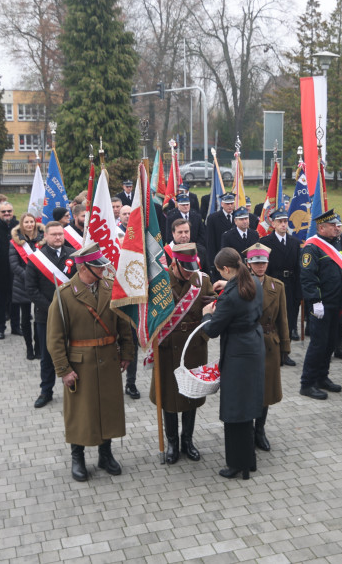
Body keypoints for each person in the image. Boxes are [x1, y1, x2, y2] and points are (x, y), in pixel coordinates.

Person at [46, 241, 135, 481]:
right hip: (80, 364)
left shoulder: (110, 287)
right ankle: (78, 458)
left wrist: (127, 352)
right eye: (99, 266)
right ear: (84, 268)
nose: (104, 269)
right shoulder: (65, 294)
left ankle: (106, 455)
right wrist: (64, 370)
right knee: (80, 413)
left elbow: (123, 322)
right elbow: (55, 338)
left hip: (109, 359)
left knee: (108, 409)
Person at [201, 247, 265, 480]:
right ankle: (249, 460)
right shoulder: (254, 282)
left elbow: (212, 330)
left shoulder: (231, 297)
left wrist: (207, 313)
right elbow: (239, 292)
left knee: (235, 410)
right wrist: (226, 284)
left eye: (221, 271)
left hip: (237, 353)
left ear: (226, 269)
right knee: (247, 406)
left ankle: (238, 464)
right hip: (254, 346)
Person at [151, 242, 215, 463]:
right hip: (168, 348)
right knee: (169, 398)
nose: (189, 273)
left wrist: (205, 331)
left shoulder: (202, 280)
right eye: (185, 269)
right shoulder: (159, 282)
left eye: (192, 268)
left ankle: (187, 440)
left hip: (193, 347)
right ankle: (172, 443)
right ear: (175, 263)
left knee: (191, 397)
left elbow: (213, 307)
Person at [245, 243, 293, 451]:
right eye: (256, 263)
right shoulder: (241, 285)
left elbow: (283, 318)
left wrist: (285, 347)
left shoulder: (277, 286)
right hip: (249, 343)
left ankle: (260, 430)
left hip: (269, 343)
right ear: (248, 264)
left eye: (263, 262)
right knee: (250, 390)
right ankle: (247, 429)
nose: (261, 266)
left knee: (266, 391)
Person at [298, 209, 342, 400]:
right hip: (322, 305)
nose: (338, 228)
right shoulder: (312, 248)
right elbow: (308, 278)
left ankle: (322, 377)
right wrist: (315, 301)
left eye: (338, 225)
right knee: (318, 345)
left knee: (330, 343)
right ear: (321, 228)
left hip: (336, 304)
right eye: (333, 225)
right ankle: (307, 383)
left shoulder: (335, 243)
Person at [26, 221, 76, 408]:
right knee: (47, 356)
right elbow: (31, 289)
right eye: (54, 234)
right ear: (45, 236)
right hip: (45, 316)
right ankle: (46, 390)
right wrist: (53, 310)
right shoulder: (36, 259)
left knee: (73, 352)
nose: (58, 237)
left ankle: (74, 386)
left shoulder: (73, 254)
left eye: (60, 234)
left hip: (72, 315)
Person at [260, 209, 303, 342]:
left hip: (290, 283)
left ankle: (287, 341)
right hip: (273, 282)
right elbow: (264, 267)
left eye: (285, 221)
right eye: (280, 222)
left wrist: (299, 290)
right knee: (273, 314)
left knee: (289, 314)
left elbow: (298, 268)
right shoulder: (265, 242)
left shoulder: (294, 242)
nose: (283, 224)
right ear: (273, 224)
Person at [9, 213, 44, 360]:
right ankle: (29, 347)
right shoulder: (15, 242)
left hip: (40, 284)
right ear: (22, 225)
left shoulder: (42, 239)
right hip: (22, 284)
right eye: (26, 222)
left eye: (31, 222)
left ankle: (38, 347)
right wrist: (29, 277)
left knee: (38, 318)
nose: (29, 224)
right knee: (25, 319)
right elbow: (14, 265)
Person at [0, 201, 20, 340]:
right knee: (0, 301)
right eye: (3, 211)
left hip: (16, 269)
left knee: (15, 300)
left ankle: (16, 326)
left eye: (9, 211)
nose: (7, 213)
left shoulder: (18, 226)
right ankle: (0, 328)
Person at [204, 193, 237, 269]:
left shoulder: (238, 216)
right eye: (227, 204)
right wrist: (212, 262)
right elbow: (210, 241)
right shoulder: (213, 218)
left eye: (231, 203)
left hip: (235, 256)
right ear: (222, 204)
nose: (230, 206)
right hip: (220, 256)